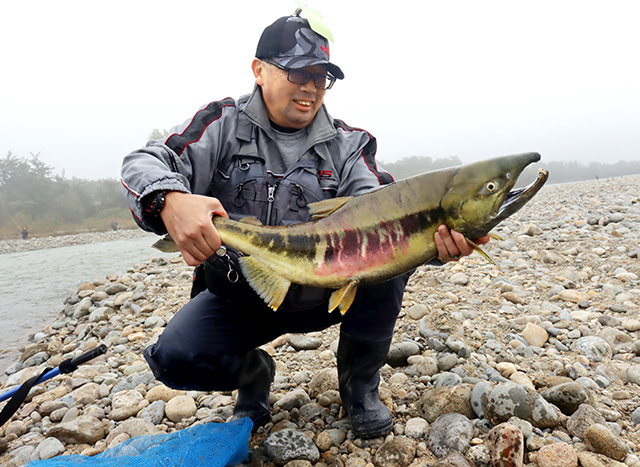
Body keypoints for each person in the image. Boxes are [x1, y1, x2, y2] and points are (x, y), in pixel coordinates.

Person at [121, 12, 489, 439]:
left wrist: (436, 243)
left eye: (322, 77)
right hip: (243, 293)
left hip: (328, 293)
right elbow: (142, 162)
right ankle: (253, 374)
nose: (311, 87)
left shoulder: (352, 146)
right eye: (298, 72)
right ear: (258, 70)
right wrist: (170, 200)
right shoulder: (219, 125)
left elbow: (389, 209)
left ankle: (359, 388)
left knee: (388, 268)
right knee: (173, 358)